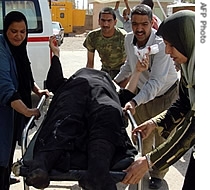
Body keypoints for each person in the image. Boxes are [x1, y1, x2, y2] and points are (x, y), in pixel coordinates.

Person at [23, 36, 137, 190]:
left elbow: (54, 83)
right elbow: (125, 97)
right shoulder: (108, 82)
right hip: (101, 96)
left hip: (73, 93)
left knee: (62, 120)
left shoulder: (73, 79)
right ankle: (98, 172)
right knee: (107, 117)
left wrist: (56, 55)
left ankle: (41, 165)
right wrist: (137, 72)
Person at [122, 10, 195, 190]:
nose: (168, 51)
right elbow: (184, 105)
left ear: (187, 40)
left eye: (171, 45)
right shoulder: (189, 70)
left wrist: (149, 161)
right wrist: (154, 123)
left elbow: (191, 129)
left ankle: (157, 175)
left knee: (164, 141)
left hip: (163, 95)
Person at [114, 4, 179, 189]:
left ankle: (158, 176)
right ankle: (141, 171)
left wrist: (134, 101)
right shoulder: (128, 40)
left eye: (144, 24)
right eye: (135, 24)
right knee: (142, 138)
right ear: (130, 23)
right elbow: (129, 65)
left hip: (164, 96)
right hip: (141, 97)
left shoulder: (161, 44)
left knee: (162, 138)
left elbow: (156, 83)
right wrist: (113, 84)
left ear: (151, 23)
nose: (139, 29)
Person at [0, 11, 49, 190]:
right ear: (6, 31)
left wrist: (36, 90)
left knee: (8, 150)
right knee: (1, 152)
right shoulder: (1, 50)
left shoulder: (19, 48)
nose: (19, 36)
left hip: (13, 114)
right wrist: (28, 111)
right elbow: (5, 88)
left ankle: (5, 177)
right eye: (14, 31)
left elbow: (24, 74)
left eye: (22, 31)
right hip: (3, 112)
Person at [83, 7, 127, 80]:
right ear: (99, 21)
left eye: (109, 20)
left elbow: (128, 64)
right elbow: (90, 63)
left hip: (122, 72)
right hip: (105, 72)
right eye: (103, 20)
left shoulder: (123, 37)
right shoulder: (93, 36)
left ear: (115, 22)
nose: (105, 24)